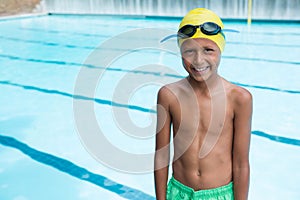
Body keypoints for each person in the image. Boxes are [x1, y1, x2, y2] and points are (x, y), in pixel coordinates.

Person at [154, 8, 252, 200]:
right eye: (189, 51)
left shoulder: (239, 99)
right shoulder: (168, 95)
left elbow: (241, 163)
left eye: (209, 50)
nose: (198, 60)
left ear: (220, 50)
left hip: (221, 194)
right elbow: (161, 156)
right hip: (178, 193)